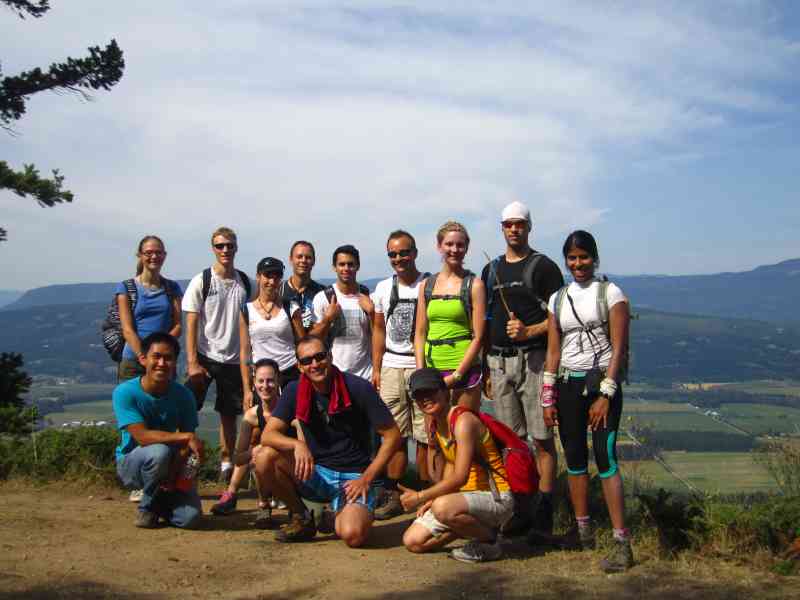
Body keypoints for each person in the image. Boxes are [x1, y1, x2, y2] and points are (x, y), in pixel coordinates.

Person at [540, 230, 633, 573]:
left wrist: (607, 393)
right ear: (566, 261)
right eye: (572, 258)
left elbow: (619, 348)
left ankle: (622, 542)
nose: (578, 264)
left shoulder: (611, 294)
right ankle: (583, 533)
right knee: (575, 458)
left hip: (600, 386)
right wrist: (548, 396)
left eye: (584, 257)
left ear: (595, 257)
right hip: (567, 384)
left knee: (606, 457)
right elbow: (553, 349)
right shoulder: (558, 299)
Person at [257, 335, 401, 546]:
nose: (314, 364)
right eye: (307, 360)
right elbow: (268, 435)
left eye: (320, 356)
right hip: (317, 472)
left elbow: (392, 435)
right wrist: (297, 444)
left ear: (331, 356)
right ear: (299, 366)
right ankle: (302, 517)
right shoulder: (294, 391)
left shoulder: (358, 388)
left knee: (353, 535)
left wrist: (367, 478)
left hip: (355, 478)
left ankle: (332, 517)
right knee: (263, 457)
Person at [480, 201, 564, 535]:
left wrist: (530, 331)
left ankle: (543, 513)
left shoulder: (543, 267)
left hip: (534, 361)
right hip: (498, 362)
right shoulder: (491, 270)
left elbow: (560, 317)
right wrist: (485, 367)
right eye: (508, 224)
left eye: (520, 224)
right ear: (502, 228)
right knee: (510, 441)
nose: (514, 229)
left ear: (529, 228)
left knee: (542, 439)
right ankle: (519, 509)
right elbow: (486, 319)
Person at [399, 368, 512, 563]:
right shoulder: (437, 424)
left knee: (442, 507)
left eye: (430, 392)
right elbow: (451, 470)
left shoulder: (462, 421)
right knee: (413, 542)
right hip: (466, 499)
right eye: (419, 395)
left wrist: (420, 496)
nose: (425, 399)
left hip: (496, 496)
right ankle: (473, 528)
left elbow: (460, 477)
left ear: (445, 392)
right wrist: (433, 498)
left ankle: (490, 542)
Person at [182, 226, 253, 483]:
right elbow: (190, 320)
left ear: (236, 247)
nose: (225, 250)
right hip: (205, 356)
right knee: (187, 408)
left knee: (229, 414)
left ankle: (227, 465)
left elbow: (253, 317)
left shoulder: (245, 282)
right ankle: (184, 462)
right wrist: (191, 362)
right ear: (213, 249)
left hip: (235, 358)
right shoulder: (202, 280)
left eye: (229, 245)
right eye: (220, 246)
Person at [113, 332, 204, 529]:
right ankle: (147, 509)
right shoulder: (125, 392)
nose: (162, 363)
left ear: (174, 362)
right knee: (158, 452)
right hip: (133, 464)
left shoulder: (184, 396)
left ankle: (160, 499)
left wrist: (173, 476)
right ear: (143, 359)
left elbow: (186, 445)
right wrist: (185, 437)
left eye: (168, 358)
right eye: (156, 357)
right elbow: (142, 437)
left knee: (191, 518)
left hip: (168, 464)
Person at [370, 230, 431, 520]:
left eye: (404, 252)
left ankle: (425, 490)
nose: (399, 259)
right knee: (394, 433)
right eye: (393, 254)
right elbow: (378, 330)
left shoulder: (428, 285)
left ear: (415, 253)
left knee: (425, 433)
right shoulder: (383, 288)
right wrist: (377, 368)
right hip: (392, 365)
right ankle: (394, 493)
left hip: (420, 364)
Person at [414, 221, 486, 410]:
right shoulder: (426, 286)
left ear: (466, 248)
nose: (455, 249)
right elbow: (420, 332)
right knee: (436, 435)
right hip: (432, 371)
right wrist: (421, 373)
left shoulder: (474, 285)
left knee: (464, 430)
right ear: (439, 246)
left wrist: (457, 375)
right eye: (449, 244)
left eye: (460, 245)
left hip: (464, 371)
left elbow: (478, 337)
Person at [211, 358, 285, 527]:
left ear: (278, 381)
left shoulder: (288, 408)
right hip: (265, 463)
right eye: (261, 381)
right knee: (259, 454)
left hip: (287, 465)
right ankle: (263, 504)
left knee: (264, 447)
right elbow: (238, 458)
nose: (265, 386)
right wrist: (255, 451)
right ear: (254, 383)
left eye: (270, 381)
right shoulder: (252, 415)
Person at [116, 235, 182, 383]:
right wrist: (144, 356)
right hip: (133, 361)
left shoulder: (172, 288)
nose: (154, 256)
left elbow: (178, 325)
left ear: (164, 255)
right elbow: (127, 329)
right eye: (148, 252)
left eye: (158, 252)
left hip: (162, 362)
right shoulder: (126, 288)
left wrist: (159, 352)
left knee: (164, 405)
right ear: (140, 255)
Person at [239, 257, 305, 404]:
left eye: (277, 277)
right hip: (262, 379)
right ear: (258, 277)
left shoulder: (291, 308)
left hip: (290, 374)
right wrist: (246, 390)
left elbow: (302, 344)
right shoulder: (246, 310)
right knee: (260, 423)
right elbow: (244, 350)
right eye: (267, 276)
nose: (272, 281)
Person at [311, 244, 374, 379]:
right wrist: (327, 319)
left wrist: (372, 313)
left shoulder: (367, 297)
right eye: (342, 264)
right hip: (334, 375)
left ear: (358, 266)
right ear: (334, 267)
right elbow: (312, 340)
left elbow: (378, 335)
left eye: (350, 264)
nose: (346, 268)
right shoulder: (323, 298)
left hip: (366, 375)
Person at [281, 240, 325, 333]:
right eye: (299, 256)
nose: (303, 260)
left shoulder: (323, 293)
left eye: (308, 257)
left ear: (313, 261)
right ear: (291, 259)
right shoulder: (278, 291)